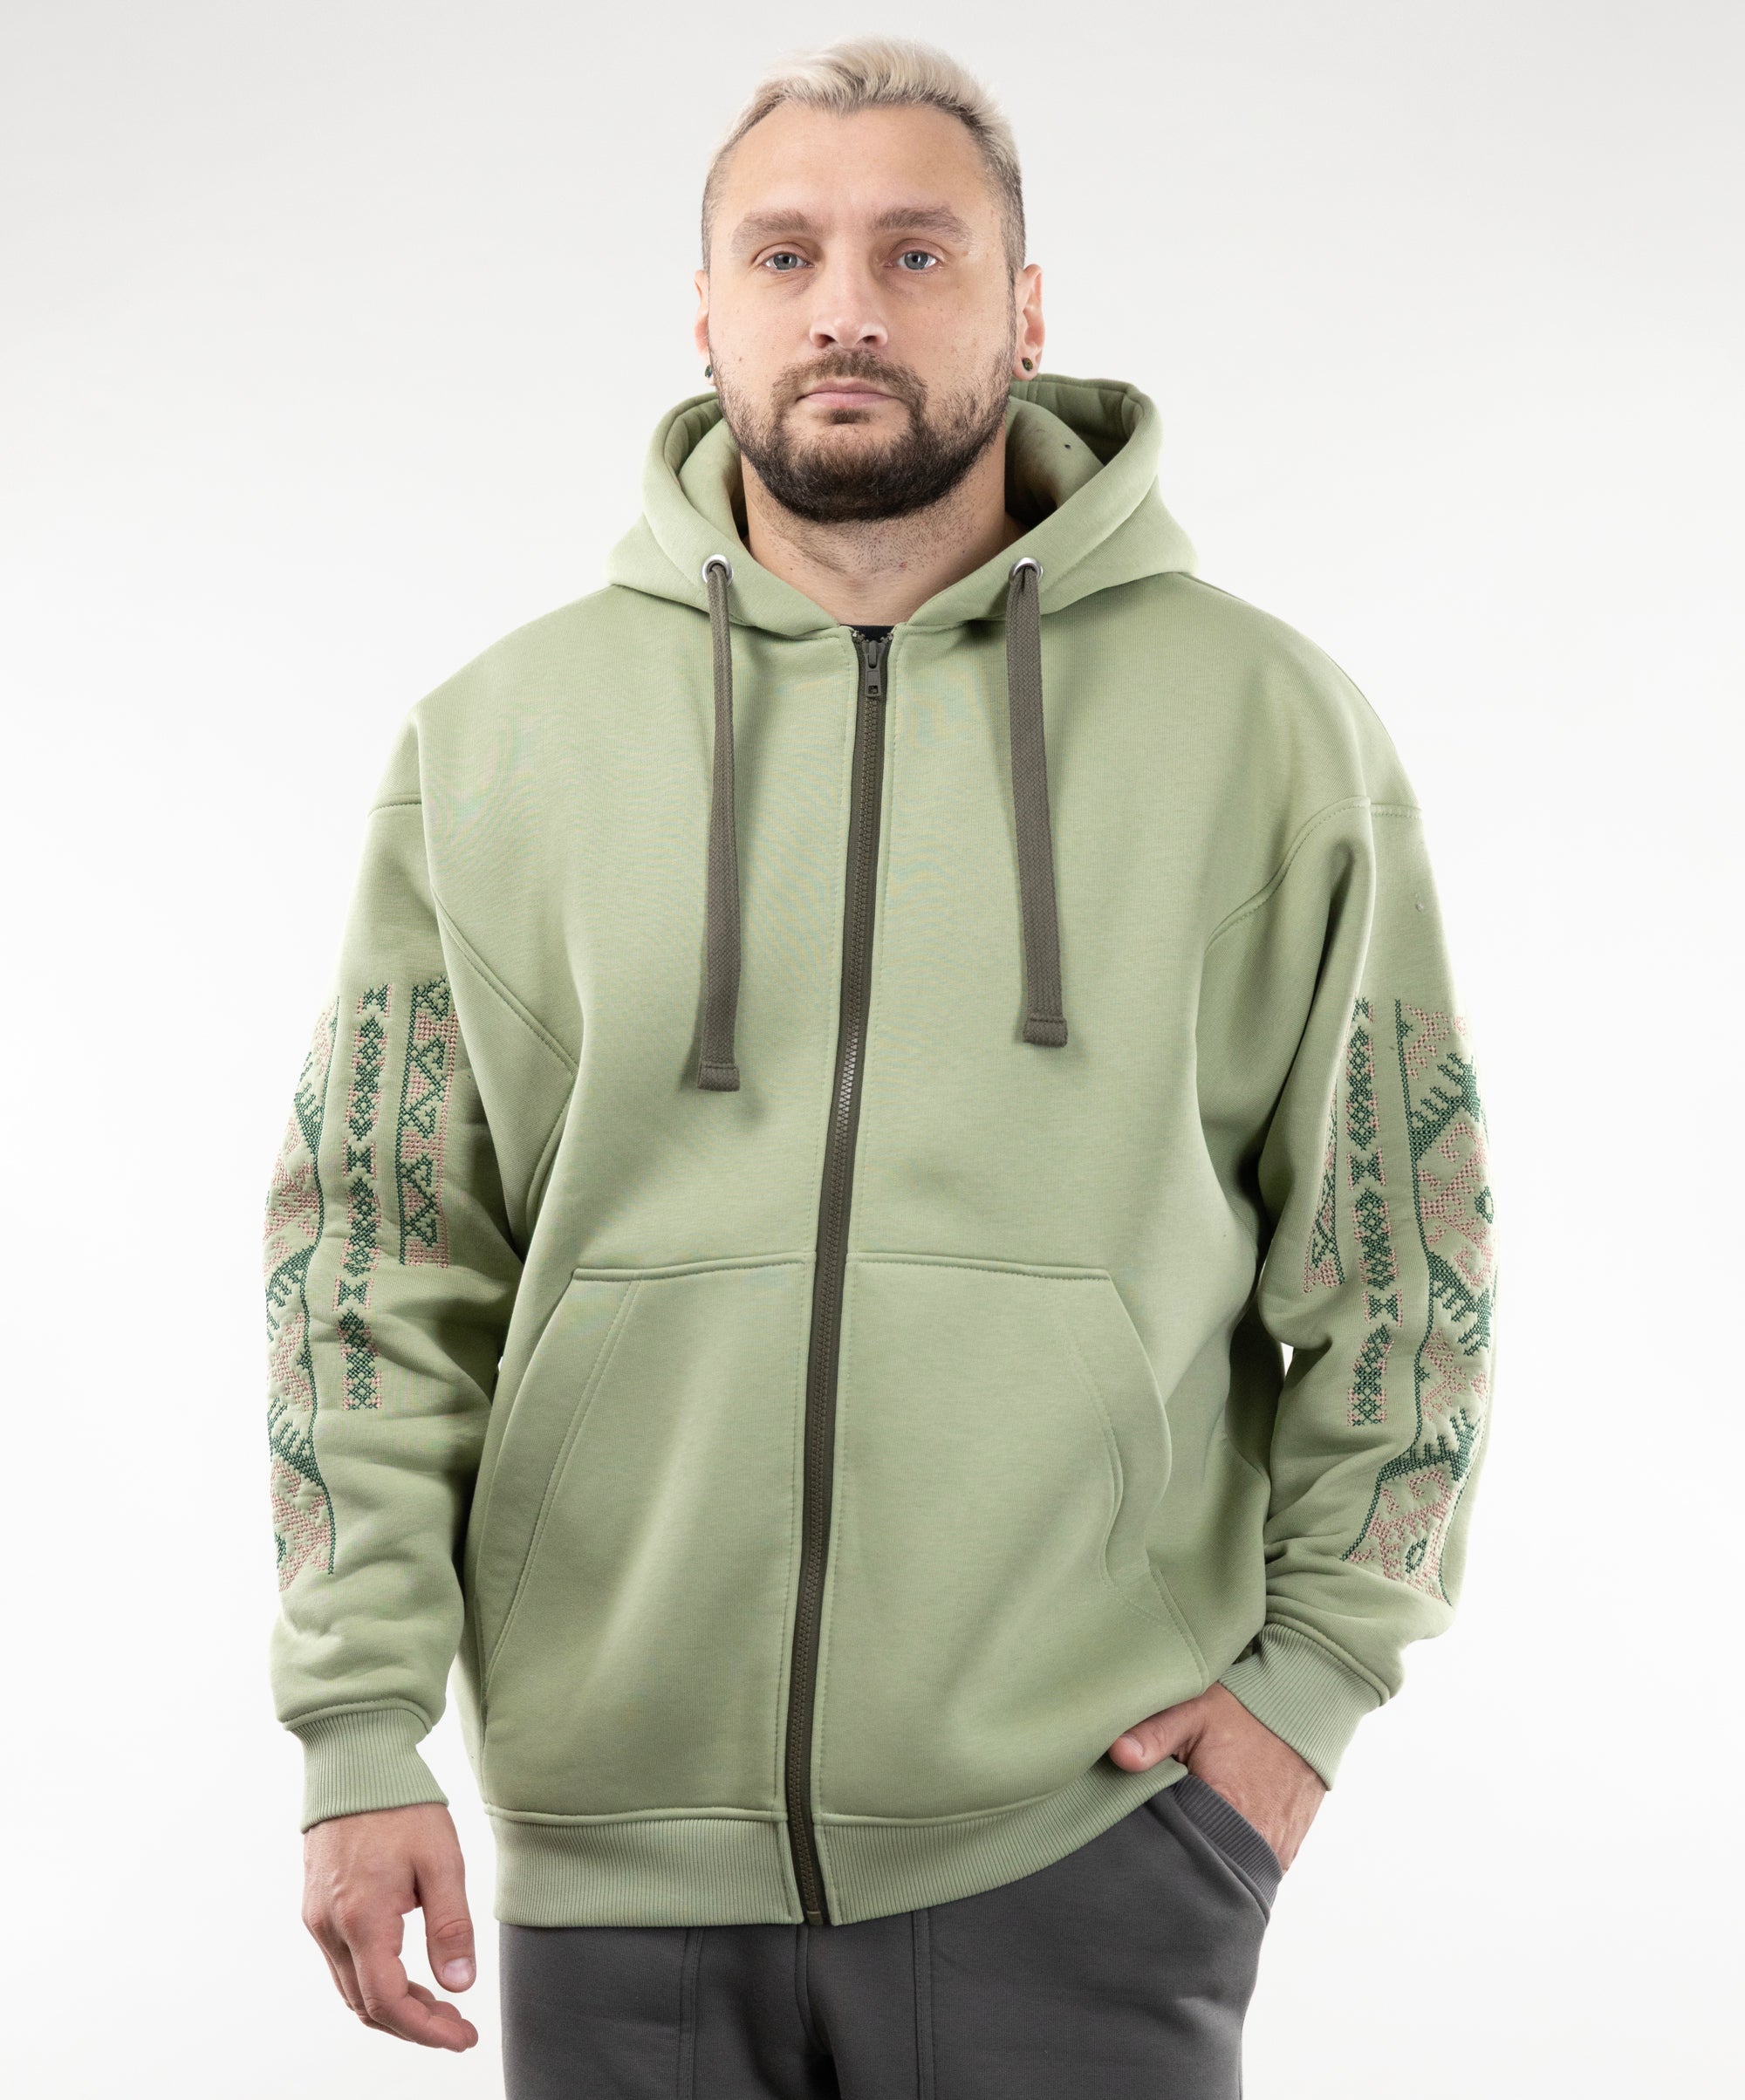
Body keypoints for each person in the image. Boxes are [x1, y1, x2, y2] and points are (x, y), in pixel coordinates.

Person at [264, 33, 1500, 2096]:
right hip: (609, 1862)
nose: (844, 304)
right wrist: (356, 1727)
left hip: (1090, 1840)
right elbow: (370, 1273)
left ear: (1024, 309)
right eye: (786, 254)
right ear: (707, 311)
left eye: (917, 253)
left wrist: (1307, 1693)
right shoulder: (497, 746)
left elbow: (1405, 1254)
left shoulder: (1265, 732)